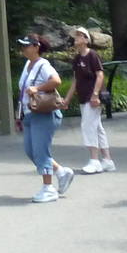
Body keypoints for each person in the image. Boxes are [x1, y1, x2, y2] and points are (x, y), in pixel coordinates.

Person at [15, 33, 74, 203]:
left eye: (26, 45)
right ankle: (62, 173)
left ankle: (48, 189)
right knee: (31, 151)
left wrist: (37, 88)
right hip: (29, 113)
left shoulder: (43, 64)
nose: (23, 48)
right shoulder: (28, 64)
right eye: (23, 45)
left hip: (43, 113)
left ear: (36, 47)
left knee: (41, 152)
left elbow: (56, 81)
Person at [64, 26, 115, 173]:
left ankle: (94, 160)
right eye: (76, 36)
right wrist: (67, 99)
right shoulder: (77, 59)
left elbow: (100, 75)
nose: (76, 38)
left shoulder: (92, 55)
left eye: (80, 36)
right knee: (97, 127)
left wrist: (95, 94)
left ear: (86, 40)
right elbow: (75, 81)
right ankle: (107, 160)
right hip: (83, 96)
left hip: (92, 97)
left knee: (88, 126)